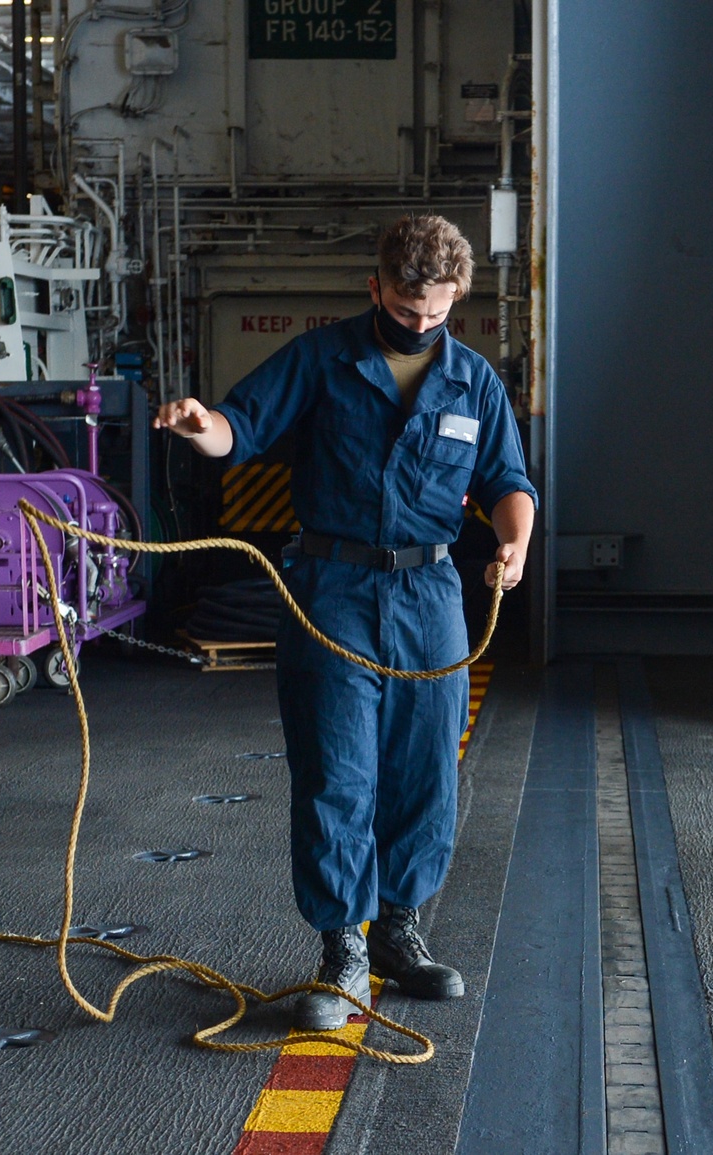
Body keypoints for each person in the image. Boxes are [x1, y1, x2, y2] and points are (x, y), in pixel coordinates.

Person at [154, 214, 537, 1031]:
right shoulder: (321, 360)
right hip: (331, 587)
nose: (421, 325)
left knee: (426, 769)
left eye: (437, 312)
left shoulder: (473, 382)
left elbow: (507, 476)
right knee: (337, 770)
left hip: (431, 594)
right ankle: (343, 952)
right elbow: (239, 426)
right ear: (376, 288)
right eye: (406, 309)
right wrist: (200, 426)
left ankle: (399, 931)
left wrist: (516, 539)